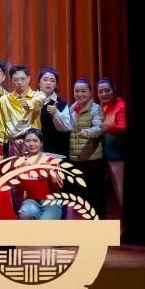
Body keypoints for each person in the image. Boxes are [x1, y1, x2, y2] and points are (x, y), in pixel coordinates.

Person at [60, 79, 105, 218]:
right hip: (75, 159)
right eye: (77, 91)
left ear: (90, 93)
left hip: (92, 160)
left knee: (95, 196)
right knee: (80, 197)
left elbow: (99, 128)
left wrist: (87, 133)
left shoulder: (96, 109)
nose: (80, 94)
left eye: (83, 91)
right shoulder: (71, 109)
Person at [14, 128, 63, 220]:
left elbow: (58, 185)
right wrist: (21, 172)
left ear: (41, 143)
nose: (31, 144)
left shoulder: (51, 160)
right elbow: (18, 188)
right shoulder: (21, 162)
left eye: (35, 140)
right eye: (28, 141)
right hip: (30, 201)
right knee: (26, 214)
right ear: (24, 143)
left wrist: (50, 170)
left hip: (50, 201)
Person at [0, 65, 42, 155]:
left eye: (23, 79)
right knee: (15, 164)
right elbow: (1, 124)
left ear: (29, 79)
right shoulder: (4, 99)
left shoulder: (38, 96)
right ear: (11, 80)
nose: (19, 82)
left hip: (33, 141)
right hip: (13, 142)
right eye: (15, 79)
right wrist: (1, 145)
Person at [96, 78, 125, 218]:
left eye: (107, 90)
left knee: (121, 188)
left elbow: (124, 128)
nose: (104, 94)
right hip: (108, 154)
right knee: (116, 187)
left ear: (114, 90)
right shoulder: (105, 108)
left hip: (119, 154)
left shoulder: (121, 105)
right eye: (100, 91)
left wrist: (108, 128)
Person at [35, 68, 68, 154]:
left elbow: (67, 127)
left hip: (56, 150)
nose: (48, 83)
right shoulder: (30, 100)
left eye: (52, 81)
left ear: (56, 84)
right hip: (33, 149)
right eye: (45, 79)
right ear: (39, 82)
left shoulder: (61, 103)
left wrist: (56, 113)